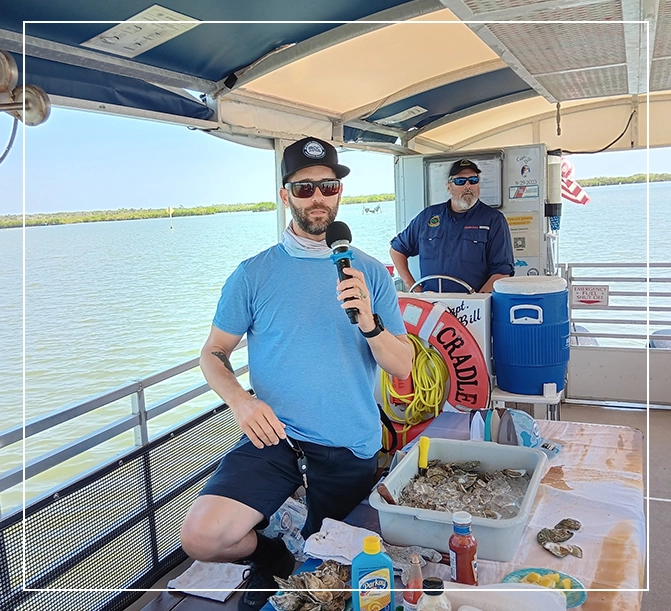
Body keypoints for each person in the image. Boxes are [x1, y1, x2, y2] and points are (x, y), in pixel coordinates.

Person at [180, 136, 414, 611]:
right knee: (200, 536)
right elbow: (213, 353)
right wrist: (241, 403)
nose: (317, 198)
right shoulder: (252, 274)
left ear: (339, 193)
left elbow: (403, 364)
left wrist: (369, 324)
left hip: (350, 444)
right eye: (303, 189)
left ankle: (301, 557)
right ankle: (276, 557)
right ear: (285, 195)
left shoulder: (369, 272)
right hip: (276, 440)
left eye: (327, 186)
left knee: (339, 581)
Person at [389, 158, 514, 293]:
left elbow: (502, 272)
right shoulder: (427, 217)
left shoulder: (494, 220)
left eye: (473, 180)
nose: (468, 186)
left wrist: (477, 302)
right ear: (448, 186)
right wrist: (412, 287)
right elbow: (397, 250)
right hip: (432, 306)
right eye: (460, 181)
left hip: (473, 307)